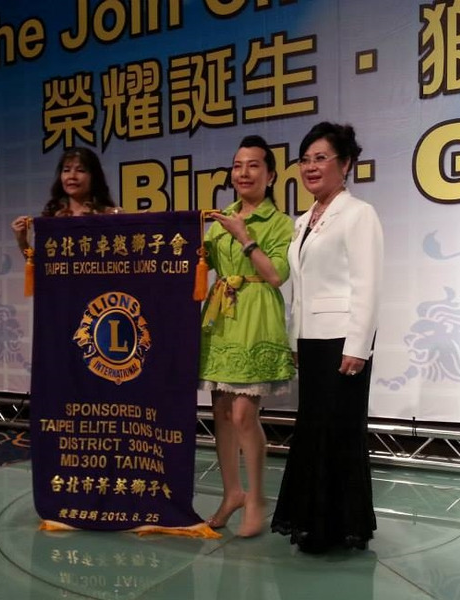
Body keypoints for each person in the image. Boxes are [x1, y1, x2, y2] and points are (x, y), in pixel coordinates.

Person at [271, 122, 384, 553]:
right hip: (312, 340)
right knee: (313, 431)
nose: (310, 167)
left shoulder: (358, 214)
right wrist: (295, 340)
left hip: (343, 341)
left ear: (346, 163)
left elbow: (367, 284)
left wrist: (358, 346)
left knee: (339, 432)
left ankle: (339, 528)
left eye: (321, 158)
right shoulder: (303, 221)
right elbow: (301, 289)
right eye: (305, 160)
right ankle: (313, 524)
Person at [199, 135, 295, 537]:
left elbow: (275, 275)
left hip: (256, 316)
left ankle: (256, 498)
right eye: (238, 165)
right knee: (221, 414)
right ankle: (231, 493)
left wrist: (244, 236)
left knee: (242, 414)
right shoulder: (220, 218)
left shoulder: (281, 223)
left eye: (254, 165)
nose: (243, 172)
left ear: (270, 175)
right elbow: (201, 264)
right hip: (221, 317)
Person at [11, 147, 119, 253]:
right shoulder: (52, 217)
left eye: (80, 170)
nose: (72, 176)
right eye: (66, 170)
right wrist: (22, 241)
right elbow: (41, 263)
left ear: (94, 177)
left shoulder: (109, 216)